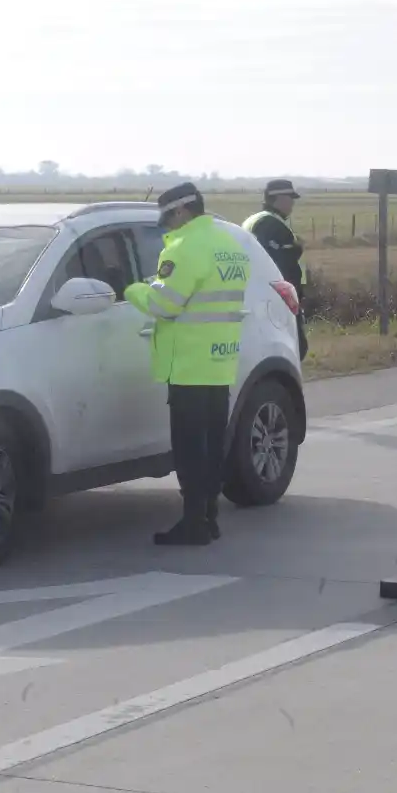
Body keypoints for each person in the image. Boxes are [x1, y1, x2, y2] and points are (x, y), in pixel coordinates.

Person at [125, 182, 251, 546]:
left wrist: (133, 289)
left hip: (189, 363)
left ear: (181, 212)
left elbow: (164, 305)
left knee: (189, 449)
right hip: (220, 360)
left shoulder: (184, 249)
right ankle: (209, 517)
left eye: (167, 217)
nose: (165, 226)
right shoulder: (229, 246)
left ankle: (194, 523)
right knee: (211, 445)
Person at [242, 179, 308, 360]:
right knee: (294, 349)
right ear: (277, 199)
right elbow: (284, 267)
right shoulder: (273, 225)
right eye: (290, 198)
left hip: (254, 295)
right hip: (277, 300)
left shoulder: (253, 220)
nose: (293, 203)